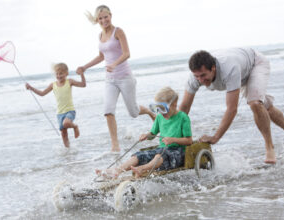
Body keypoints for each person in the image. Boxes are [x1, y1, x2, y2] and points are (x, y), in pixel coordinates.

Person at [180, 48, 284, 164]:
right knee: (267, 108)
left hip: (255, 64)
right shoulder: (194, 78)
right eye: (197, 76)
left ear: (213, 68)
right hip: (240, 70)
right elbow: (184, 108)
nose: (200, 80)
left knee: (255, 103)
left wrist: (215, 137)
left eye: (203, 75)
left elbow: (232, 109)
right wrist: (172, 133)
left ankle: (269, 147)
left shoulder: (229, 68)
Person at [76, 5, 155, 152]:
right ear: (97, 20)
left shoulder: (118, 32)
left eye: (106, 16)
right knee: (108, 110)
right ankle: (115, 145)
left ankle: (151, 112)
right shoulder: (100, 36)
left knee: (134, 112)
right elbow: (101, 56)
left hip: (125, 77)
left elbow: (126, 53)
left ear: (110, 16)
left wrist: (114, 64)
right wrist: (85, 67)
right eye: (100, 18)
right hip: (110, 80)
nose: (103, 20)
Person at [96, 87, 193, 178]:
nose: (161, 112)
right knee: (139, 154)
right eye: (157, 109)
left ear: (174, 104)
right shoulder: (159, 117)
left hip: (177, 152)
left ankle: (142, 169)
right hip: (162, 149)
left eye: (163, 109)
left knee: (160, 156)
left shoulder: (183, 117)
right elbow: (153, 134)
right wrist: (146, 135)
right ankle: (117, 170)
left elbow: (189, 141)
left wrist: (173, 140)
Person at [26, 63, 86, 147]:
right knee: (64, 134)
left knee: (66, 123)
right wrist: (31, 88)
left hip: (70, 110)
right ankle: (68, 151)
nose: (59, 75)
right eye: (57, 74)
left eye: (61, 73)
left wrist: (82, 74)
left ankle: (75, 127)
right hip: (60, 113)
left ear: (66, 73)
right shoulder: (53, 85)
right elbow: (42, 93)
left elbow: (83, 85)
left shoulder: (70, 81)